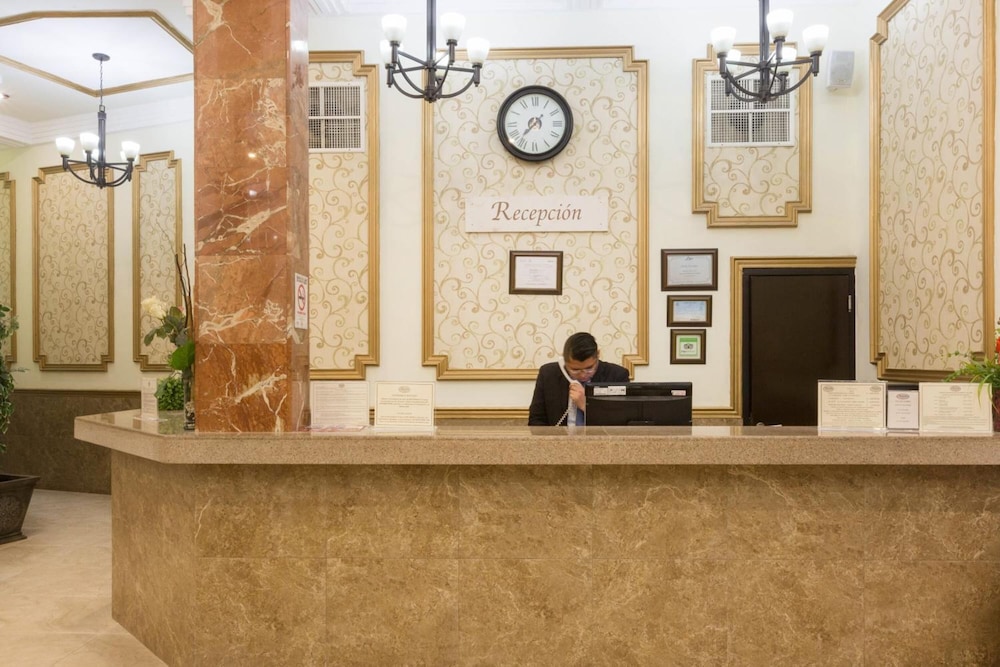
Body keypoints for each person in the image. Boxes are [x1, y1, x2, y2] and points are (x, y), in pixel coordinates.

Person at [528, 332, 629, 426]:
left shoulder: (617, 376)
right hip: (558, 438)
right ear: (564, 361)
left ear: (598, 355)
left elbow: (622, 423)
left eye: (589, 368)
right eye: (575, 370)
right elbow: (536, 420)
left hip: (599, 438)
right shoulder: (548, 374)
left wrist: (586, 406)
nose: (583, 375)